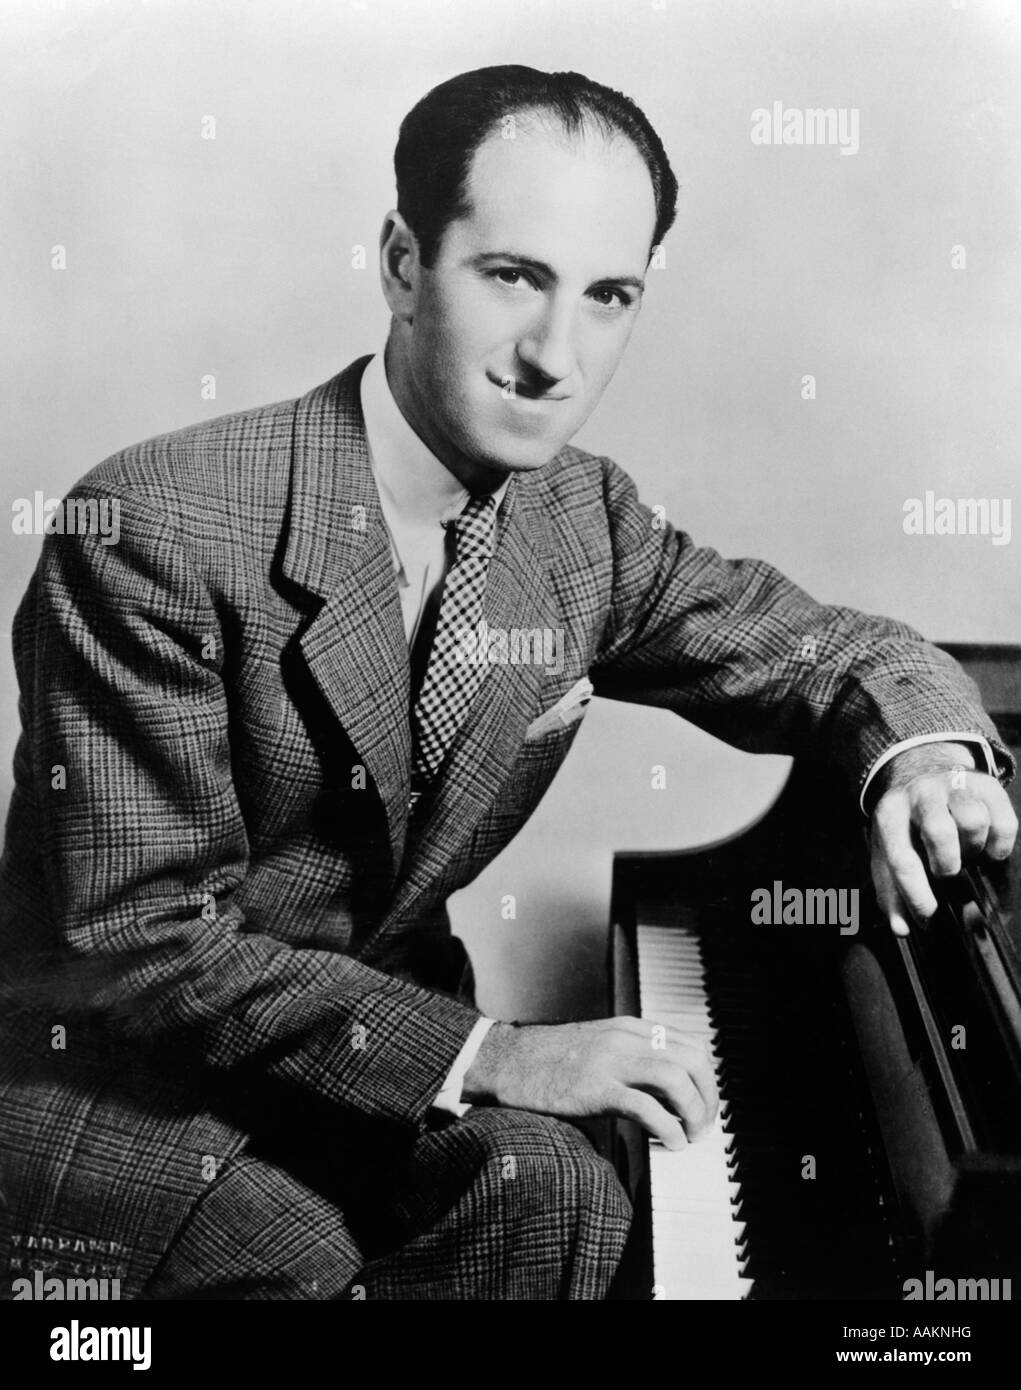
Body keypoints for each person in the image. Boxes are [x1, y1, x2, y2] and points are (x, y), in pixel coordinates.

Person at [0, 65, 1015, 1302]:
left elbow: (834, 651)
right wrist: (491, 1052)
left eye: (609, 297)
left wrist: (921, 756)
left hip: (365, 1056)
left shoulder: (579, 522)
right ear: (401, 262)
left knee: (564, 1197)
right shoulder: (150, 525)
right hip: (124, 1089)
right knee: (311, 1261)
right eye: (514, 277)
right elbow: (144, 952)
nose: (555, 357)